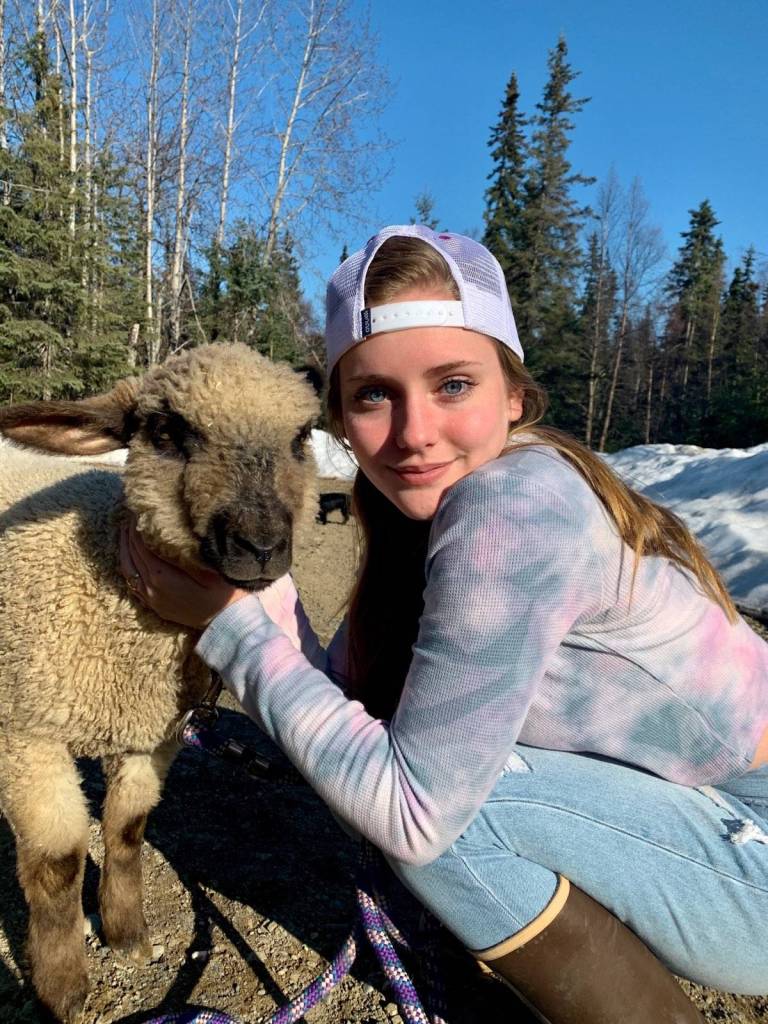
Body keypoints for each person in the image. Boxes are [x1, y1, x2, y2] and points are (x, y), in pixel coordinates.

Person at [121, 225, 768, 1024]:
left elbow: (416, 811)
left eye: (453, 384)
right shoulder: (415, 515)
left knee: (451, 816)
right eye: (373, 395)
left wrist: (229, 628)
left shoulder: (516, 508)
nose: (414, 431)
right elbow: (350, 713)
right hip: (704, 815)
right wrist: (256, 592)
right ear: (341, 420)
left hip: (756, 851)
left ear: (516, 396)